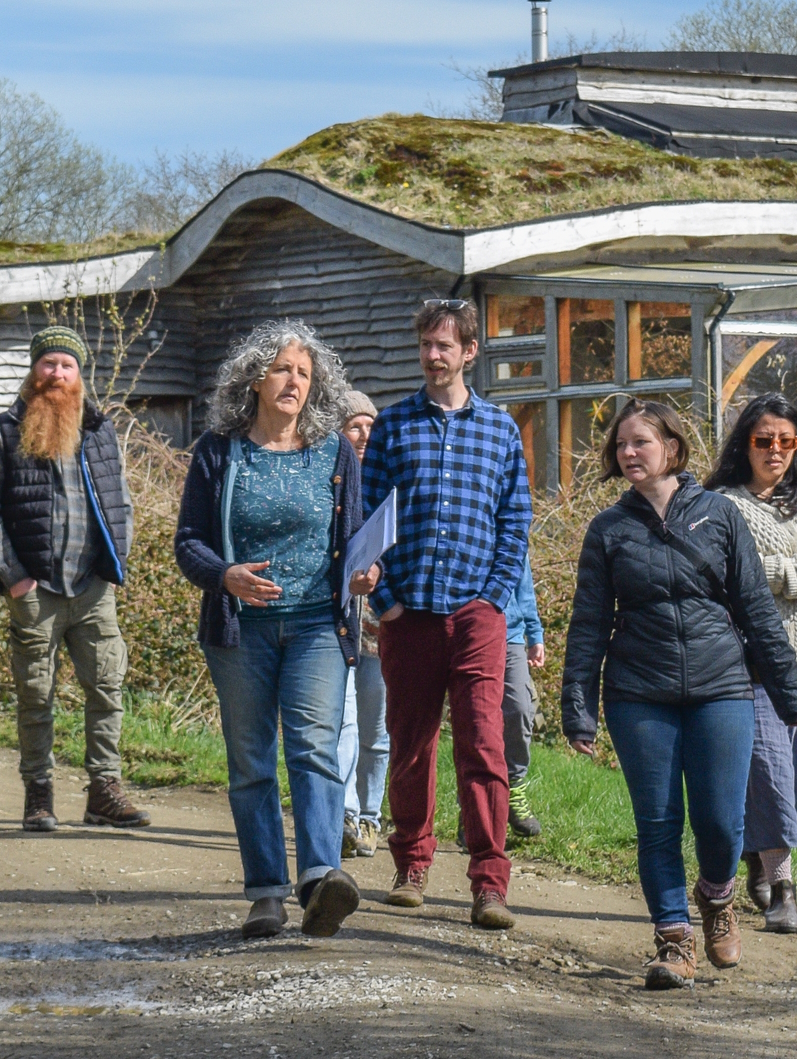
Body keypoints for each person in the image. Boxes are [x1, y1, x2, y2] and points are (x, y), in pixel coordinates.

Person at [561, 399, 797, 991]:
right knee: (658, 821)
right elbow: (589, 623)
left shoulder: (721, 516)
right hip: (637, 693)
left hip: (720, 686)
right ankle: (673, 940)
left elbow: (756, 612)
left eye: (640, 442)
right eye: (621, 445)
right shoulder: (609, 530)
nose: (628, 453)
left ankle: (718, 897)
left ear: (672, 449)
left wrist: (792, 696)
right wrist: (578, 708)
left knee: (722, 824)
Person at [172, 320, 365, 940]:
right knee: (252, 760)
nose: (294, 381)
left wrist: (366, 576)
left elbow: (356, 542)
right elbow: (188, 544)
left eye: (305, 374)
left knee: (314, 748)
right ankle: (265, 894)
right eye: (283, 369)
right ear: (255, 377)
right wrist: (225, 575)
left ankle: (319, 879)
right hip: (240, 630)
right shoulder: (218, 451)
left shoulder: (335, 453)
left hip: (316, 625)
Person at [352, 299, 531, 932]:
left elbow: (515, 520)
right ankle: (412, 867)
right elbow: (367, 518)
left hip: (477, 616)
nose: (434, 355)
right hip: (410, 617)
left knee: (483, 747)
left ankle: (489, 881)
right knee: (410, 745)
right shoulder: (395, 426)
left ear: (470, 353)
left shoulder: (501, 429)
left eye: (446, 346)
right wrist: (388, 600)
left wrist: (495, 595)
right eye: (427, 344)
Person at [0, 325, 151, 834]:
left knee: (107, 687)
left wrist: (116, 564)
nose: (57, 373)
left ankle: (104, 791)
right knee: (35, 693)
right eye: (48, 364)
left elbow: (121, 502)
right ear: (33, 371)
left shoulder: (99, 431)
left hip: (93, 587)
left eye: (66, 366)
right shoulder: (1, 434)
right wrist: (13, 578)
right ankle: (39, 793)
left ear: (79, 375)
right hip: (35, 590)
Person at [703, 394, 797, 934]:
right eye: (765, 440)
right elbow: (724, 572)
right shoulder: (721, 504)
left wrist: (772, 572)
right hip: (748, 661)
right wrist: (793, 571)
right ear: (745, 444)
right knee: (771, 775)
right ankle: (782, 890)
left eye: (788, 441)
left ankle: (756, 851)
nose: (776, 451)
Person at [338, 388, 388, 860]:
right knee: (343, 721)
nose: (364, 434)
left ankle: (371, 817)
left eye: (370, 425)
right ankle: (346, 814)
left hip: (380, 623)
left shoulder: (390, 485)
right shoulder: (329, 484)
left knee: (376, 725)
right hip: (337, 622)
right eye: (354, 425)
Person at [502, 560, 546, 838]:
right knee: (475, 721)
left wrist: (535, 633)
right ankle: (472, 808)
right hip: (470, 629)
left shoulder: (509, 520)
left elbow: (524, 583)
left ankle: (514, 787)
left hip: (511, 635)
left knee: (520, 708)